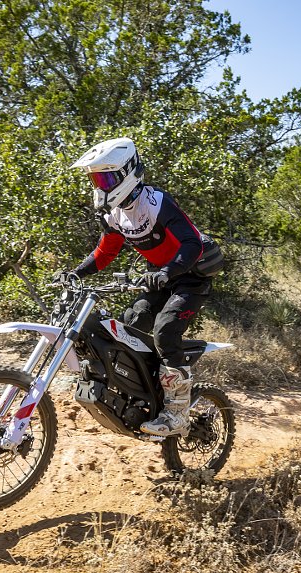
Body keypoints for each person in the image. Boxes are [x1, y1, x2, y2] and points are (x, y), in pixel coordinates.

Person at [68, 137, 224, 437]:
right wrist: (75, 273)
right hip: (160, 277)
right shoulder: (114, 214)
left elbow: (191, 242)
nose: (100, 186)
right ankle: (142, 395)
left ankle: (177, 412)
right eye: (95, 179)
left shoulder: (155, 203)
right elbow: (105, 252)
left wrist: (168, 271)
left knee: (165, 330)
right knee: (128, 326)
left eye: (105, 177)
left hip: (189, 277)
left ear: (127, 172)